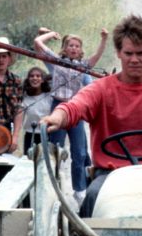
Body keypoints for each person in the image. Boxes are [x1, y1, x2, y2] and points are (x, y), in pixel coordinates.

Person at [41, 15, 142, 217]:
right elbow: (76, 105)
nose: (134, 59)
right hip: (113, 174)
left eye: (140, 53)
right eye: (128, 53)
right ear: (118, 53)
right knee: (93, 198)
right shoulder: (101, 89)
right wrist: (58, 117)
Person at [34, 27, 109, 205]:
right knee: (55, 150)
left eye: (77, 46)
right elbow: (38, 44)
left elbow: (95, 58)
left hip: (75, 109)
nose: (74, 48)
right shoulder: (56, 61)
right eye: (70, 45)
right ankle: (55, 187)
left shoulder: (82, 67)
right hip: (58, 106)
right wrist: (51, 34)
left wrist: (104, 40)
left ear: (80, 50)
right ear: (65, 48)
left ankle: (79, 190)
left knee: (79, 152)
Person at [20, 66, 52, 151]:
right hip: (30, 134)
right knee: (29, 162)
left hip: (47, 134)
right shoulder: (24, 96)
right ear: (28, 79)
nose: (34, 78)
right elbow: (20, 118)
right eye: (32, 76)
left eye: (38, 76)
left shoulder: (50, 96)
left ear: (42, 79)